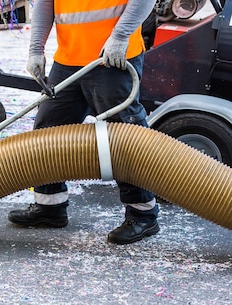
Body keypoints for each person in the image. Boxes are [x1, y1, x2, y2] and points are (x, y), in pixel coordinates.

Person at [8, 0, 160, 245]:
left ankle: (142, 214)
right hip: (69, 59)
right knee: (48, 131)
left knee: (124, 135)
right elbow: (46, 3)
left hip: (112, 56)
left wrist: (120, 36)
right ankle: (50, 206)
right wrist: (36, 49)